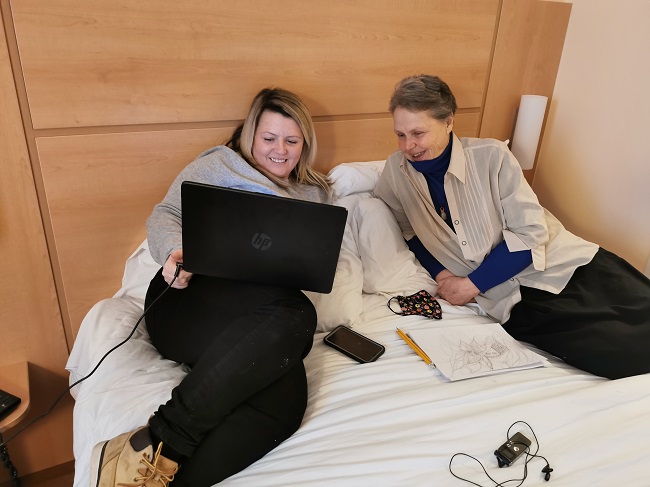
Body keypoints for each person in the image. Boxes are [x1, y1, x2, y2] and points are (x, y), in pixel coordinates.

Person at [91, 88, 331, 487]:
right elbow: (164, 214)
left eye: (291, 141)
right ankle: (165, 434)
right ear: (251, 134)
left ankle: (153, 467)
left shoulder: (315, 192)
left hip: (259, 315)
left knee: (284, 408)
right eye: (268, 138)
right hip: (188, 299)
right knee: (299, 313)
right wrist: (174, 255)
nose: (279, 151)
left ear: (305, 144)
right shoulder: (219, 165)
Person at [374, 74, 650, 380]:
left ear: (449, 122)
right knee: (627, 356)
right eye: (400, 135)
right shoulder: (395, 173)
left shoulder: (492, 157)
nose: (408, 146)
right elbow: (408, 233)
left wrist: (471, 285)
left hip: (567, 263)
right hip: (513, 298)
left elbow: (531, 234)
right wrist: (443, 275)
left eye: (418, 133)